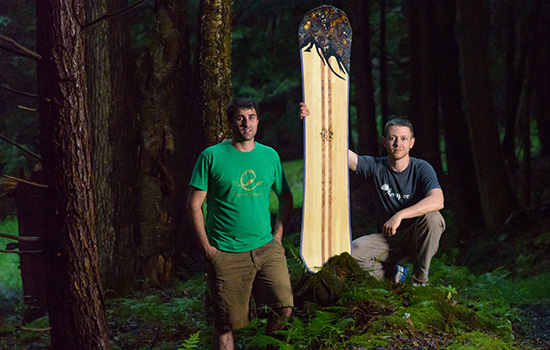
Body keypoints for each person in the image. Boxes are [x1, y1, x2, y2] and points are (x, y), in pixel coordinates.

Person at [188, 98, 294, 350]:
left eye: (252, 117)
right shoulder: (211, 157)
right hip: (226, 252)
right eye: (240, 118)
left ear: (258, 121)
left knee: (284, 307)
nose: (247, 123)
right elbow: (194, 205)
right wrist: (207, 248)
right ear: (231, 123)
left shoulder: (269, 156)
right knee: (226, 323)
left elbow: (286, 197)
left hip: (266, 248)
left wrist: (277, 237)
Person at [299, 102, 445, 286]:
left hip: (417, 239)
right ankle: (396, 274)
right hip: (388, 240)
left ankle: (419, 281)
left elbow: (437, 200)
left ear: (411, 143)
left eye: (403, 138)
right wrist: (313, 123)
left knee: (434, 218)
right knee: (348, 256)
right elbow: (338, 152)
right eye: (392, 138)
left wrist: (400, 215)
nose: (398, 143)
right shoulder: (376, 166)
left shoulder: (422, 168)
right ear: (384, 141)